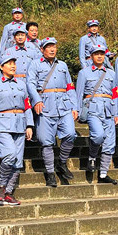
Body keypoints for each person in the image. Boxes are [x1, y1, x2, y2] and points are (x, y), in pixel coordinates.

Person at [26, 37, 78, 187]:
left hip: (64, 105)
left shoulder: (62, 65)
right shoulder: (35, 64)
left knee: (70, 134)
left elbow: (70, 86)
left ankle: (62, 162)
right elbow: (30, 84)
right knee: (46, 142)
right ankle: (50, 173)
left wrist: (74, 106)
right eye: (48, 47)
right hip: (45, 106)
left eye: (54, 46)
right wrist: (36, 100)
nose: (52, 49)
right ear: (42, 50)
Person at [0, 53, 34, 206]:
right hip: (2, 125)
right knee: (10, 154)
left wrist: (29, 124)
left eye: (14, 63)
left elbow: (27, 105)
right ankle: (1, 186)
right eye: (9, 63)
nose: (13, 66)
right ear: (1, 67)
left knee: (18, 161)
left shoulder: (21, 84)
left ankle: (8, 192)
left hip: (20, 124)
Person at [75, 44, 118, 184]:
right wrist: (77, 110)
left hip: (108, 109)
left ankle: (103, 174)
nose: (100, 56)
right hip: (92, 108)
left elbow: (115, 94)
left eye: (102, 54)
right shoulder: (84, 72)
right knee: (98, 135)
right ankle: (92, 156)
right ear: (91, 56)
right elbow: (79, 93)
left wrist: (117, 112)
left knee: (110, 143)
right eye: (96, 54)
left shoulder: (112, 73)